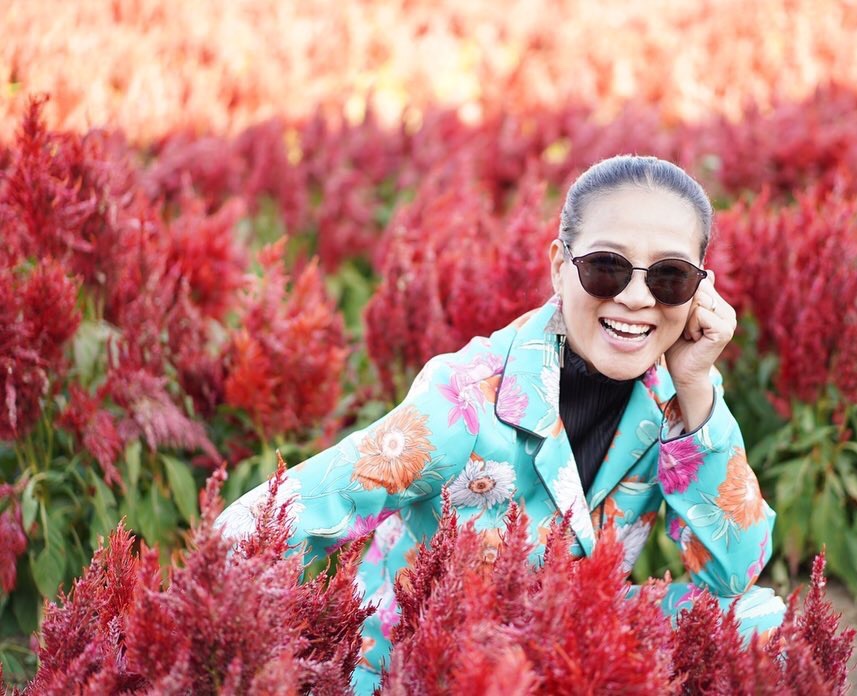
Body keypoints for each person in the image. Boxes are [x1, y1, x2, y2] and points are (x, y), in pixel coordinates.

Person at [217, 155, 786, 692]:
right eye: (606, 267)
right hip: (430, 668)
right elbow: (266, 522)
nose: (637, 298)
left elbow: (732, 575)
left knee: (758, 622)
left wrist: (695, 384)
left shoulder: (672, 401)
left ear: (699, 292)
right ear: (560, 268)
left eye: (670, 277)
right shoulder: (465, 400)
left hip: (560, 654)